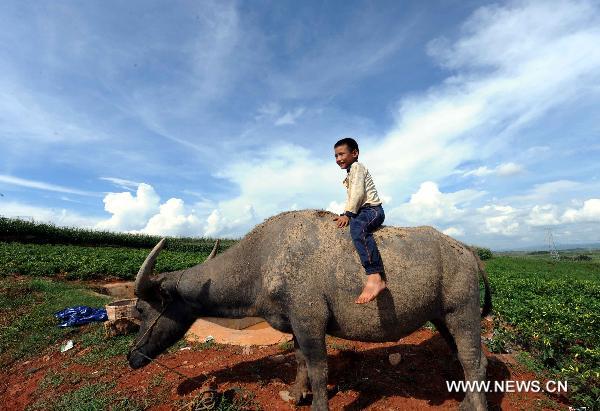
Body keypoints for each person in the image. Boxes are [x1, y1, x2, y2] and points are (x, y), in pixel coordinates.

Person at [332, 137, 386, 304]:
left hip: (372, 210)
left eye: (342, 154)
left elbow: (357, 193)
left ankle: (375, 275)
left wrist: (348, 215)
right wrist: (345, 212)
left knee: (358, 229)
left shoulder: (357, 167)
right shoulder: (351, 172)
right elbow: (352, 198)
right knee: (354, 222)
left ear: (354, 153)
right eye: (335, 156)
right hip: (362, 209)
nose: (338, 159)